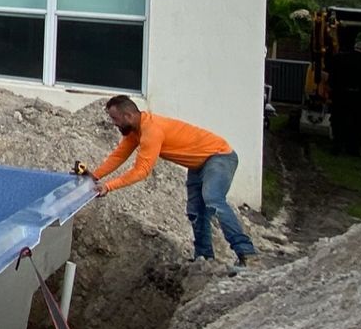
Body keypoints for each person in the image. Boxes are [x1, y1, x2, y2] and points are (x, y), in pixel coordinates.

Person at [76, 95, 258, 271]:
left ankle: (247, 253)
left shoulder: (152, 130)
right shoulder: (135, 132)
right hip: (197, 163)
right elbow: (118, 156)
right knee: (196, 210)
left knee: (213, 199)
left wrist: (108, 186)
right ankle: (203, 258)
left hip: (219, 157)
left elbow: (141, 171)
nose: (114, 123)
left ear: (128, 116)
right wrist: (95, 176)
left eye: (115, 119)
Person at [327, 27, 361, 156]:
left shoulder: (338, 58)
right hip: (358, 97)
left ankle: (336, 147)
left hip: (340, 95)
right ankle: (353, 149)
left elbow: (331, 76)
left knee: (338, 121)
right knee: (357, 124)